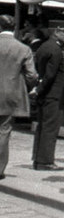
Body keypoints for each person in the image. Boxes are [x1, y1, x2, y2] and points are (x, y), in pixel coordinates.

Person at [0, 15, 39, 180]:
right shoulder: (23, 49)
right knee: (4, 131)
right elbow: (32, 75)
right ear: (14, 27)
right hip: (10, 95)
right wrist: (27, 87)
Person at [31, 28, 64, 171]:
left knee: (42, 127)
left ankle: (38, 158)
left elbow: (41, 71)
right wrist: (40, 89)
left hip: (45, 94)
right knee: (50, 128)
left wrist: (38, 90)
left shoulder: (43, 47)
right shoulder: (56, 50)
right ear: (56, 33)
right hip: (53, 94)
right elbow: (50, 75)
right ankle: (46, 161)